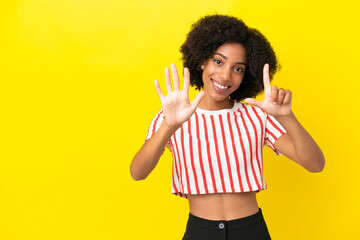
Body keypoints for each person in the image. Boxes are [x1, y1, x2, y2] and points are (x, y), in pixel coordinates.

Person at [130, 14, 325, 240]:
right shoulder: (173, 116)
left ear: (247, 74)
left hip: (251, 231)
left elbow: (315, 164)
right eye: (218, 61)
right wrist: (169, 126)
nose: (225, 75)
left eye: (238, 68)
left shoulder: (257, 115)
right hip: (200, 232)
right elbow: (137, 172)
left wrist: (287, 117)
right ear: (202, 60)